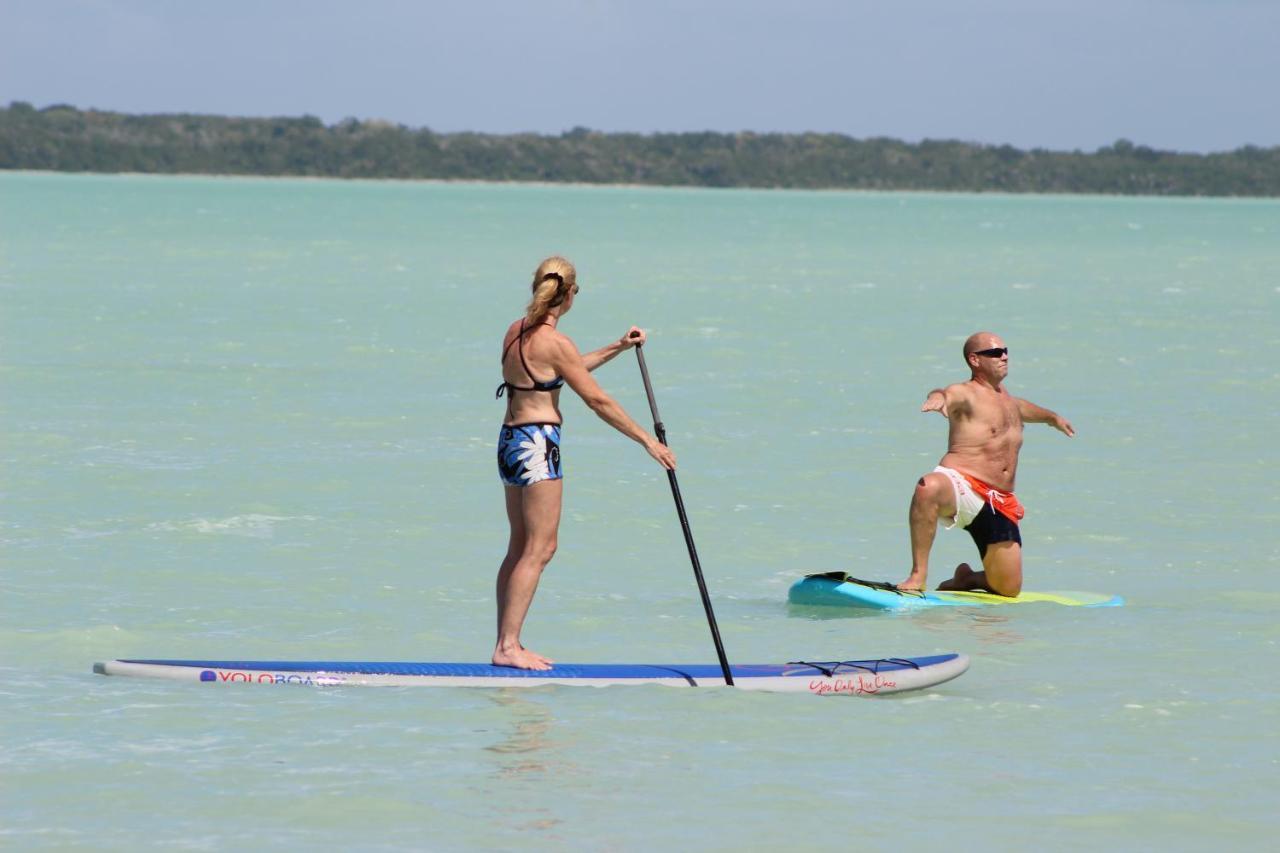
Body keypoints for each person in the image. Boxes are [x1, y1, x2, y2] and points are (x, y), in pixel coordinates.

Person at [493, 256, 676, 670]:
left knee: (519, 546)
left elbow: (561, 371)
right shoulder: (557, 343)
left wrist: (618, 346)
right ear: (570, 293)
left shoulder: (514, 332)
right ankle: (508, 646)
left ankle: (506, 642)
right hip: (538, 445)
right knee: (542, 548)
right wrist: (648, 441)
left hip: (510, 442)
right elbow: (596, 399)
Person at [898, 332, 1074, 596]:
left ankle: (968, 579)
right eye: (994, 353)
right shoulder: (965, 394)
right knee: (928, 487)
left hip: (997, 501)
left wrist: (1052, 418)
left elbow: (1026, 408)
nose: (1003, 356)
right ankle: (917, 575)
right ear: (974, 360)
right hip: (962, 486)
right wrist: (937, 399)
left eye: (1005, 350)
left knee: (1008, 589)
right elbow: (946, 393)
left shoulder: (1010, 402)